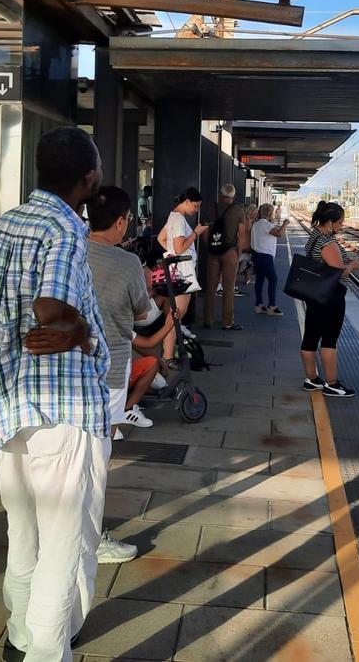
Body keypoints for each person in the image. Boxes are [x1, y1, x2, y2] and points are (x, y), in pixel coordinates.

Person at [0, 126, 109, 662]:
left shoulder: (6, 223)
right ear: (87, 178)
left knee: (24, 531)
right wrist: (77, 331)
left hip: (8, 404)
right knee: (62, 543)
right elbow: (49, 308)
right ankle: (47, 652)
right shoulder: (64, 228)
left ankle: (20, 635)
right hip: (59, 408)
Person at [84, 186, 173, 564]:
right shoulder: (125, 263)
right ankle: (89, 539)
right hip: (109, 372)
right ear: (121, 221)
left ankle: (67, 532)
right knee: (96, 460)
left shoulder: (68, 250)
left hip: (68, 370)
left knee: (72, 458)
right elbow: (142, 314)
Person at [301, 201, 359, 398]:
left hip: (315, 295)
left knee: (310, 337)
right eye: (340, 223)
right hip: (330, 296)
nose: (342, 226)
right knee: (329, 340)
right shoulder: (327, 242)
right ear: (330, 222)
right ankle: (332, 384)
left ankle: (312, 379)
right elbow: (339, 272)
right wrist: (352, 265)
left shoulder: (314, 236)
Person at [158, 188, 206, 361]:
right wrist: (195, 233)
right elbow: (179, 248)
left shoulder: (173, 216)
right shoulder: (179, 219)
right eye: (195, 206)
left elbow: (161, 239)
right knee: (176, 314)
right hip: (183, 271)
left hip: (175, 268)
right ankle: (168, 356)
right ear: (186, 202)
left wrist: (171, 253)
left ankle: (168, 355)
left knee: (174, 314)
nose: (196, 210)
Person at [202, 184, 248, 331]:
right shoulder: (238, 210)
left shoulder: (211, 208)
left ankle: (208, 320)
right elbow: (241, 235)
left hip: (213, 253)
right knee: (228, 288)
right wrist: (238, 252)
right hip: (230, 253)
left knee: (211, 287)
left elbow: (204, 232)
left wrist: (210, 247)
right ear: (233, 196)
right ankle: (227, 322)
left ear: (220, 195)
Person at [251, 203, 288, 316]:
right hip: (265, 257)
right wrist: (285, 224)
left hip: (256, 255)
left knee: (260, 280)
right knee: (273, 279)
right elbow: (279, 233)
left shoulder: (255, 224)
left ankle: (259, 305)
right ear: (270, 213)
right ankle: (272, 306)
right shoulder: (266, 225)